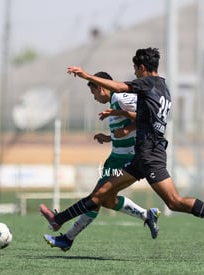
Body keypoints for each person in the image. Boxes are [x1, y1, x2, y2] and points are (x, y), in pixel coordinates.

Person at [41, 47, 204, 247]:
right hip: (143, 156)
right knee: (101, 194)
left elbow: (119, 88)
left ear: (143, 68)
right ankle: (58, 221)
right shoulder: (163, 86)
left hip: (149, 155)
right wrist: (119, 124)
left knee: (175, 202)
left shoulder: (146, 83)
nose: (134, 74)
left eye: (135, 69)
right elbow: (145, 117)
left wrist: (86, 75)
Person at [43, 71, 160, 252]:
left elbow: (148, 115)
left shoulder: (121, 97)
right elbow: (124, 131)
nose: (95, 98)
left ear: (103, 87)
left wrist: (126, 125)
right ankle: (147, 215)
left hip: (128, 160)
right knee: (106, 201)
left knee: (96, 198)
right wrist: (109, 137)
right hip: (114, 159)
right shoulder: (114, 101)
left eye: (94, 93)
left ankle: (66, 235)